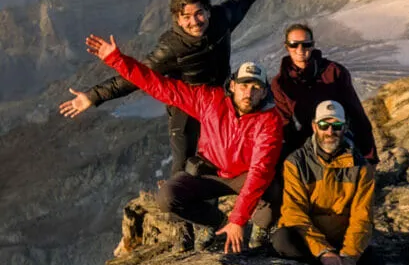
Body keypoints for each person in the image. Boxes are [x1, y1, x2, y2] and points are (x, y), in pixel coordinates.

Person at [60, 0, 290, 173]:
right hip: (184, 104)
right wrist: (93, 96)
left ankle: (210, 207)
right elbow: (139, 77)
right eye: (186, 17)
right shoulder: (170, 47)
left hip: (219, 101)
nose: (194, 21)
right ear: (177, 20)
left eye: (199, 13)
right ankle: (180, 206)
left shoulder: (222, 18)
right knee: (183, 162)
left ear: (208, 11)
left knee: (215, 157)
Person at [86, 33, 283, 253]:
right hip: (211, 171)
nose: (249, 93)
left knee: (272, 187)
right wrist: (117, 60)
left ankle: (259, 231)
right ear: (233, 86)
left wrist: (239, 219)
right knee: (168, 197)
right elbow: (161, 87)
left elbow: (259, 170)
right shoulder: (210, 100)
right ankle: (216, 223)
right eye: (244, 85)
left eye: (256, 88)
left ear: (264, 92)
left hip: (242, 176)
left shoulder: (270, 120)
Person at [271, 99, 389, 265]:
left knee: (374, 262)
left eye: (336, 126)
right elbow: (294, 213)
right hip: (309, 240)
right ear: (314, 126)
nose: (330, 132)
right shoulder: (296, 163)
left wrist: (349, 256)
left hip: (340, 239)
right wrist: (324, 252)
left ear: (345, 128)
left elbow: (362, 216)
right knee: (283, 239)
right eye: (324, 125)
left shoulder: (361, 168)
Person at [271, 23, 378, 164]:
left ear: (313, 45)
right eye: (294, 44)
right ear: (286, 46)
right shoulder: (280, 83)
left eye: (306, 44)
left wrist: (369, 156)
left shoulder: (334, 72)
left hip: (336, 137)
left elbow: (356, 114)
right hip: (304, 144)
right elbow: (284, 122)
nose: (300, 49)